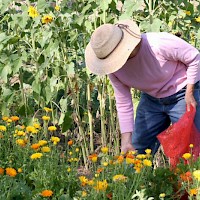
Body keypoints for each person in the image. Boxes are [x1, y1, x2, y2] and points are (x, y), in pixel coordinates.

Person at [85, 19, 200, 155]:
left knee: (190, 147)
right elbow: (123, 102)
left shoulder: (158, 44)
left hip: (182, 93)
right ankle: (137, 177)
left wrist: (190, 91)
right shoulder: (114, 69)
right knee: (136, 150)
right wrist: (126, 140)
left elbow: (195, 58)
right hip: (151, 99)